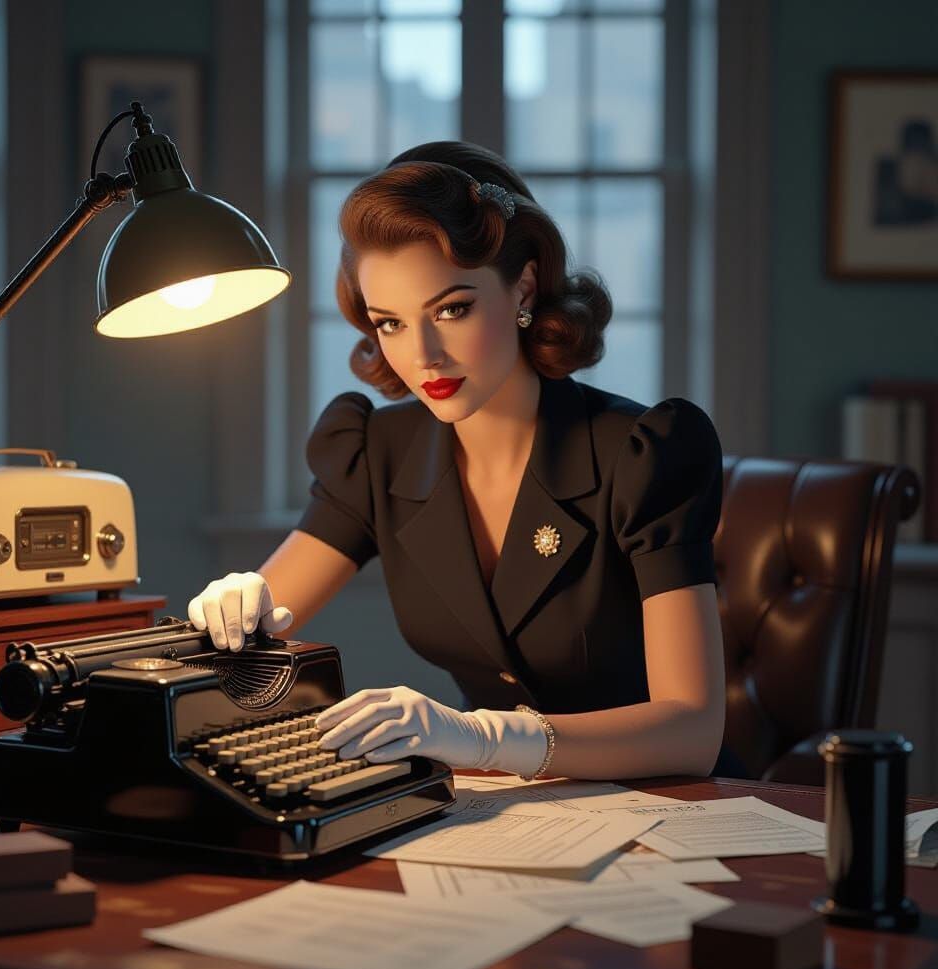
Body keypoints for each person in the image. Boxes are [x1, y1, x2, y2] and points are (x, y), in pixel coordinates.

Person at [189, 140, 739, 783]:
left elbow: (694, 730)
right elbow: (258, 625)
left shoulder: (643, 451)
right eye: (389, 323)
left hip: (675, 809)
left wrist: (482, 735)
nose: (423, 355)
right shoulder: (377, 454)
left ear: (524, 286)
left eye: (452, 309)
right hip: (502, 817)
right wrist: (233, 611)